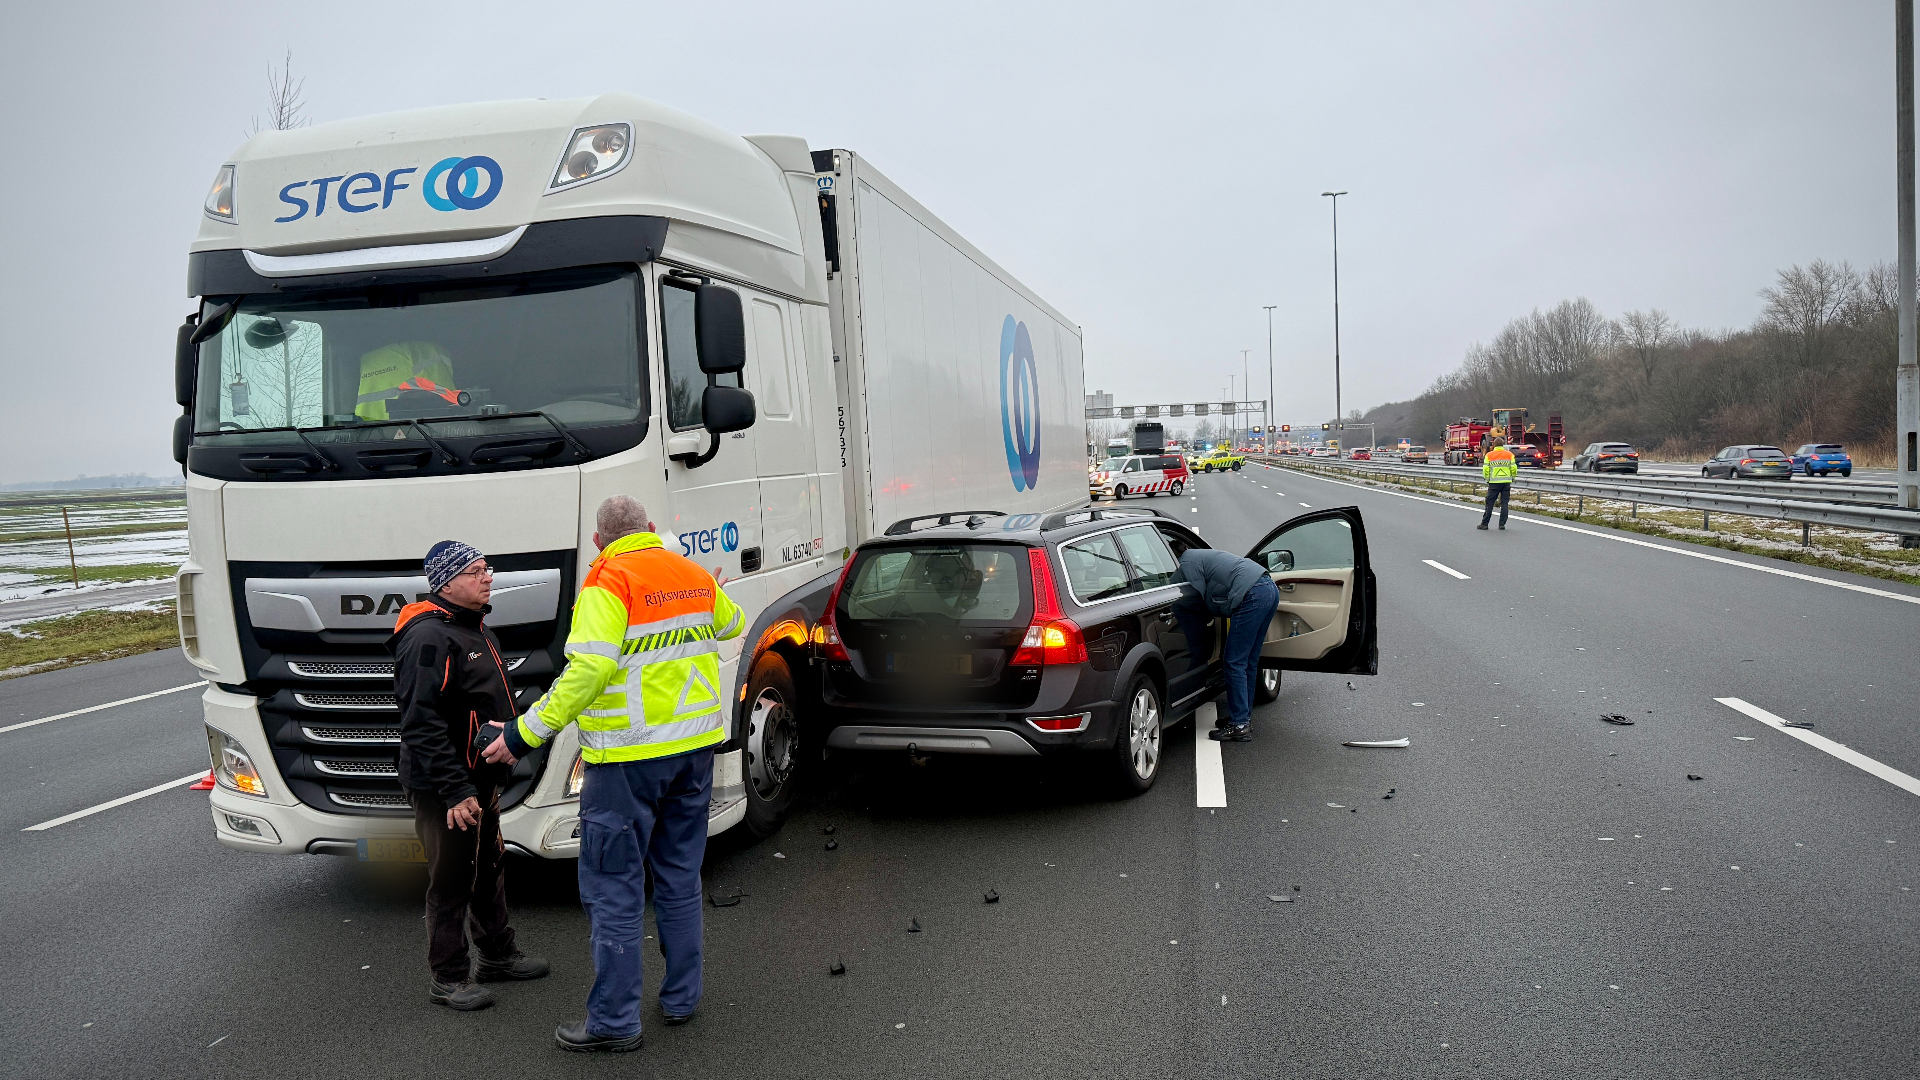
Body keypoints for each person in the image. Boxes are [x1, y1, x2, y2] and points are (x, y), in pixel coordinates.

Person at [484, 496, 744, 1054]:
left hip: (627, 761)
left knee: (614, 888)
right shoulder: (690, 572)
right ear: (650, 529)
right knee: (679, 874)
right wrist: (710, 590)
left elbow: (591, 669)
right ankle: (681, 999)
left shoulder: (609, 579)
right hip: (694, 752)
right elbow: (732, 622)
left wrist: (524, 733)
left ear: (601, 541)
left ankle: (614, 1021)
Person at [390, 540, 550, 1011]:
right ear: (446, 581)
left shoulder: (476, 631)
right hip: (446, 788)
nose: (488, 577)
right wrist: (455, 790)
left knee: (490, 870)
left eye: (488, 568)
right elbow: (419, 722)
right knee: (452, 878)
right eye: (476, 571)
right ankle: (449, 976)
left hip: (479, 781)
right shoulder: (427, 638)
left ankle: (497, 956)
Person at [1174, 546, 1280, 743]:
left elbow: (1194, 596)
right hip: (1268, 588)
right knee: (1248, 662)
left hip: (1252, 595)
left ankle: (1239, 725)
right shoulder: (1201, 556)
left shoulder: (1187, 562)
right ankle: (1242, 718)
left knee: (1234, 662)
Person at [1478, 436, 1518, 530]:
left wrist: (1487, 479)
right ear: (1503, 445)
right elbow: (1514, 468)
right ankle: (1502, 524)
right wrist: (1512, 478)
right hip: (1506, 482)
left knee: (1490, 503)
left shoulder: (1489, 455)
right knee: (1504, 503)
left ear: (1494, 445)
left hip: (1494, 483)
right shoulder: (1509, 454)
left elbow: (1486, 469)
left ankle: (1485, 524)